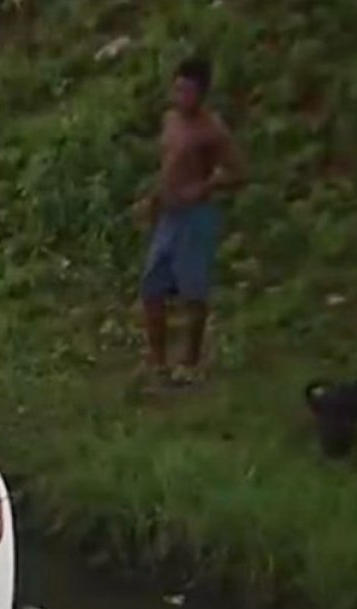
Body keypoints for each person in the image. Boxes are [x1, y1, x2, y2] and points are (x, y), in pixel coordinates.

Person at [135, 56, 244, 387]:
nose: (181, 96)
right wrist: (152, 199)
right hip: (168, 213)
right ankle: (157, 361)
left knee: (192, 291)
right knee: (152, 287)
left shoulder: (212, 129)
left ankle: (189, 362)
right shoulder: (170, 120)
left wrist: (205, 186)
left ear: (202, 93)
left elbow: (238, 172)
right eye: (178, 88)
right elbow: (167, 165)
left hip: (196, 215)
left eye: (189, 91)